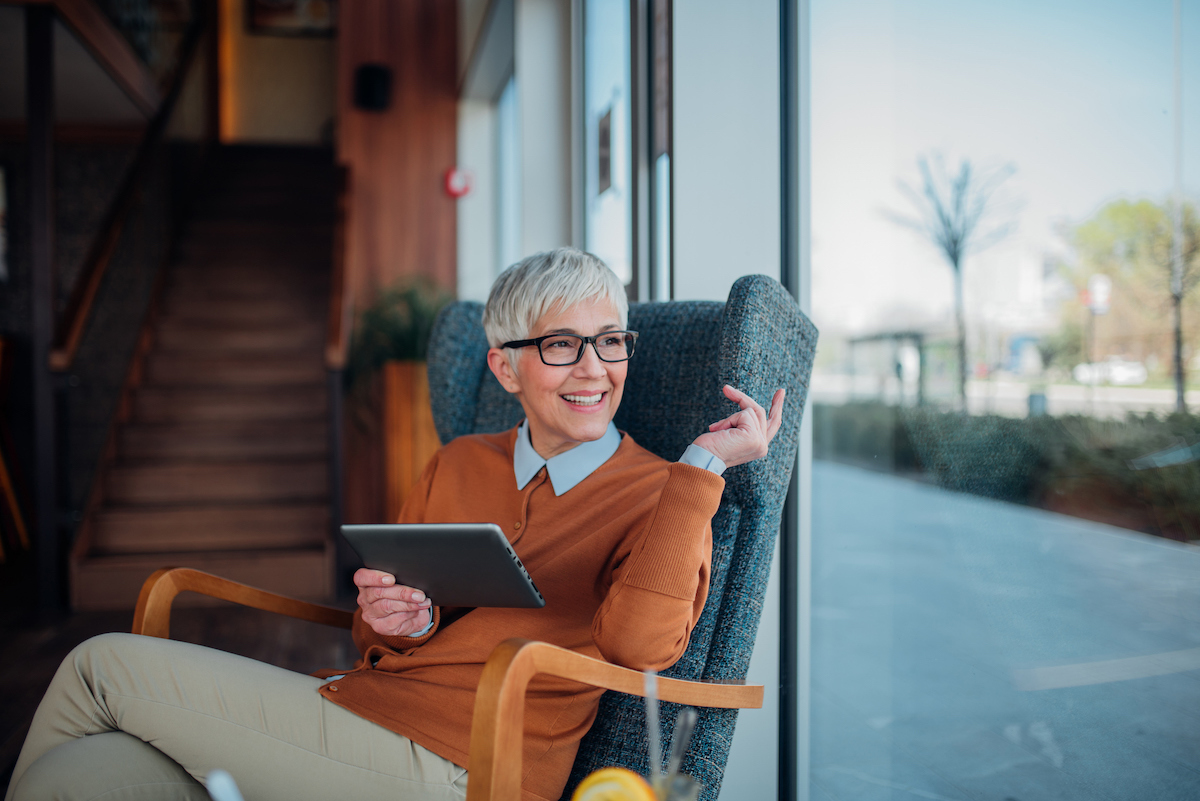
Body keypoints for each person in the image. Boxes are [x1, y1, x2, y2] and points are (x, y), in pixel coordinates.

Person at [5, 248, 784, 801]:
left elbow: (642, 648)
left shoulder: (666, 491)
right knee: (68, 780)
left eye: (611, 341)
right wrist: (394, 622)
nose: (594, 368)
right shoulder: (458, 463)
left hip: (466, 765)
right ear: (505, 368)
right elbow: (378, 646)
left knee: (101, 664)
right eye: (560, 345)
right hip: (355, 713)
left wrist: (703, 468)